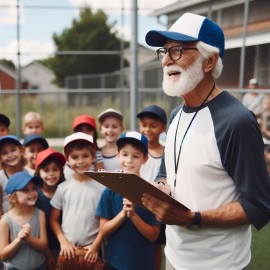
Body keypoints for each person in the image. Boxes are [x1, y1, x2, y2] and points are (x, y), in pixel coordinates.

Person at [141, 12, 270, 270]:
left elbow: (259, 205)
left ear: (209, 61)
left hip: (221, 264)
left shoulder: (237, 121)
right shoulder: (177, 114)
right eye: (163, 52)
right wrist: (161, 186)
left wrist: (192, 218)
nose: (166, 60)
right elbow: (169, 170)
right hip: (175, 257)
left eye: (176, 50)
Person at [90, 131, 160, 270]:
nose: (129, 160)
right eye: (125, 154)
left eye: (136, 156)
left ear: (145, 159)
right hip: (114, 264)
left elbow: (153, 236)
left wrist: (133, 216)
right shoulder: (109, 191)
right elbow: (103, 230)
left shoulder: (151, 193)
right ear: (118, 155)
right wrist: (123, 214)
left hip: (142, 264)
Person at [50, 132, 104, 269]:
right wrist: (63, 242)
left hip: (91, 251)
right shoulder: (63, 188)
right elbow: (53, 219)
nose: (80, 161)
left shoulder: (102, 188)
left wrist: (96, 245)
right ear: (67, 159)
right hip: (69, 251)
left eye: (85, 156)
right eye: (74, 157)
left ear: (93, 157)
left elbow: (105, 222)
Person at [137, 105, 167, 270]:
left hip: (156, 209)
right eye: (144, 124)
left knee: (156, 245)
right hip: (137, 204)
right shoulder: (136, 150)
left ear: (163, 127)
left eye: (153, 125)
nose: (147, 129)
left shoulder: (167, 153)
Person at [0, 171, 47, 270]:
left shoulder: (40, 214)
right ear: (12, 198)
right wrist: (19, 240)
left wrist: (29, 238)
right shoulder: (5, 220)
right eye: (25, 190)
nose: (32, 193)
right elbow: (3, 255)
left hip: (39, 266)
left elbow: (44, 246)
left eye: (34, 188)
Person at [35, 148, 66, 270]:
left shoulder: (65, 190)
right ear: (38, 172)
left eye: (55, 169)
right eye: (46, 170)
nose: (51, 174)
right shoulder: (36, 196)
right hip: (43, 248)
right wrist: (47, 254)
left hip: (64, 246)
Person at [0, 135, 33, 216]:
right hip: (8, 224)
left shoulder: (31, 174)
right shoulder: (1, 178)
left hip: (30, 220)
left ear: (22, 151)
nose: (10, 155)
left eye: (13, 150)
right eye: (4, 153)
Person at [64, 115, 104, 180]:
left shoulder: (97, 154)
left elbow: (101, 177)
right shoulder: (68, 152)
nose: (84, 133)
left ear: (94, 133)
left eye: (88, 130)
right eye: (80, 130)